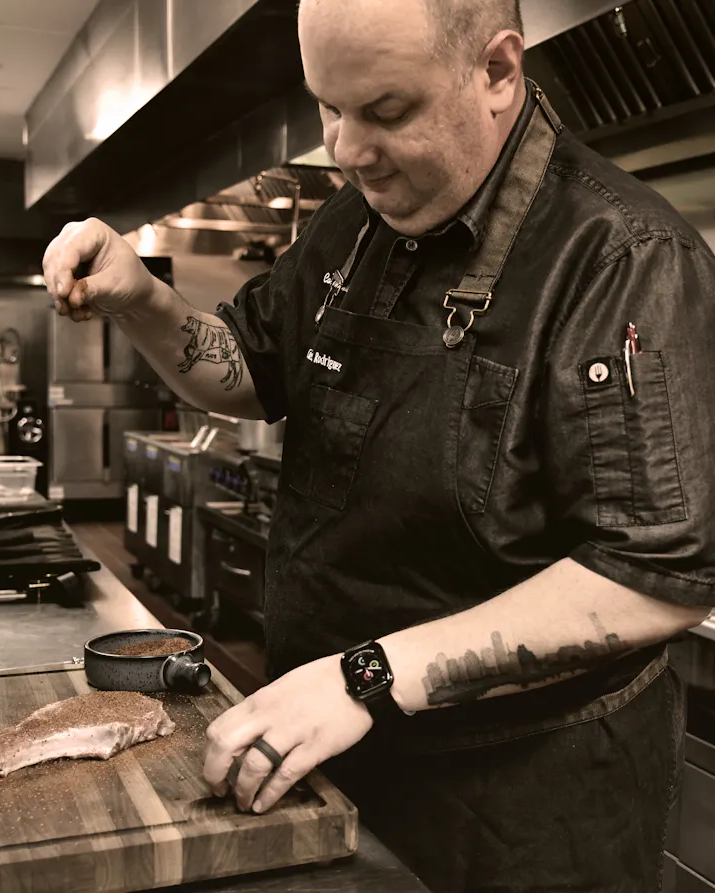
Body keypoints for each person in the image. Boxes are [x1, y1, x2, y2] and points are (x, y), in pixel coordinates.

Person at [43, 0, 715, 889]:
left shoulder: (624, 258)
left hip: (519, 808)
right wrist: (143, 299)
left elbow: (654, 576)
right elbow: (247, 367)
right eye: (328, 108)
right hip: (337, 762)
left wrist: (366, 677)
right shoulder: (351, 223)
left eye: (387, 110)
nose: (349, 150)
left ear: (498, 72)